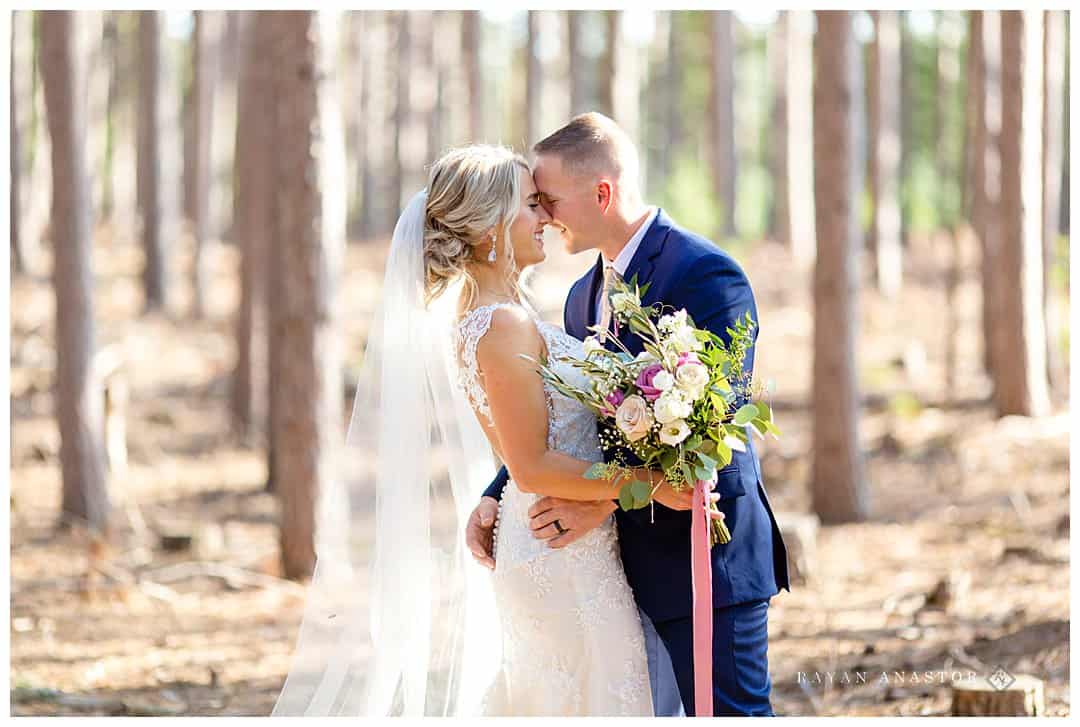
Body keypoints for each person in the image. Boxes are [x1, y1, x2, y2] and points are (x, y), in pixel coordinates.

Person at [271, 142, 715, 716]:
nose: (546, 219)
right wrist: (650, 484)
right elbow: (530, 465)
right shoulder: (500, 324)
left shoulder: (503, 313)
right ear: (488, 229)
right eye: (531, 205)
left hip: (567, 537)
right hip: (556, 549)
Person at [466, 113, 791, 716]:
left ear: (602, 193)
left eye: (549, 200)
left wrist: (600, 502)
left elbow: (714, 434)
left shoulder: (705, 274)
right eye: (532, 204)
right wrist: (499, 488)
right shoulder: (579, 296)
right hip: (617, 570)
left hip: (704, 561)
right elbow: (576, 419)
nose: (544, 216)